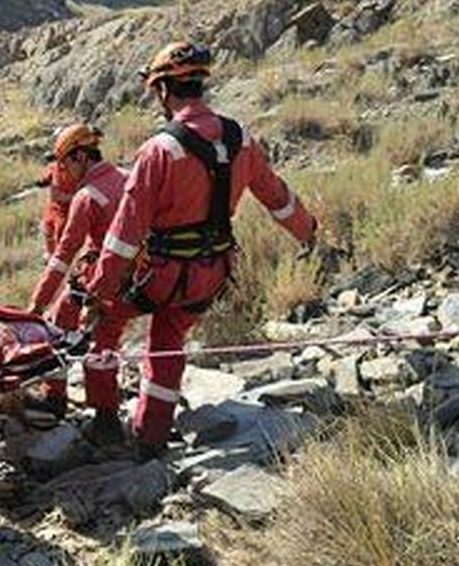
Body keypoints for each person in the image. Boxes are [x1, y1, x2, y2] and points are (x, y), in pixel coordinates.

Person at [86, 41, 318, 459]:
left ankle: (105, 422)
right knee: (168, 338)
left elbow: (125, 232)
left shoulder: (160, 150)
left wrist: (100, 290)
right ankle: (151, 436)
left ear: (162, 90)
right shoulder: (240, 139)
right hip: (212, 272)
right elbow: (276, 196)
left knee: (106, 330)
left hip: (160, 274)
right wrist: (308, 233)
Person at [26, 124, 127, 417]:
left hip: (103, 281)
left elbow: (64, 255)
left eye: (66, 163)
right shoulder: (127, 177)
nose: (65, 171)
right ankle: (108, 415)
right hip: (140, 278)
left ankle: (57, 399)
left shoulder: (88, 196)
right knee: (105, 343)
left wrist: (37, 303)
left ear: (81, 156)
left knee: (58, 324)